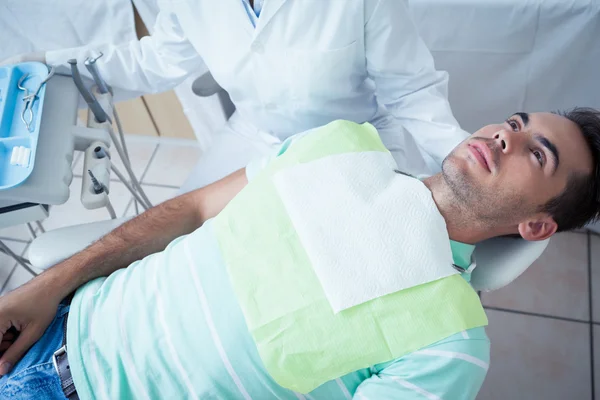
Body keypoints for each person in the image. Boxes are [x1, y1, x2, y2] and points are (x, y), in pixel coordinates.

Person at [0, 108, 599, 399]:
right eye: (514, 122)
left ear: (537, 226)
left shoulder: (449, 343)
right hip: (56, 327)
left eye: (536, 153)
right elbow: (191, 211)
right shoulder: (339, 147)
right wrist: (46, 287)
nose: (504, 135)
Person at [3, 0, 466, 187]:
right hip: (254, 136)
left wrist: (467, 161)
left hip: (352, 139)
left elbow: (411, 91)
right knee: (175, 247)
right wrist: (53, 63)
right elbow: (157, 60)